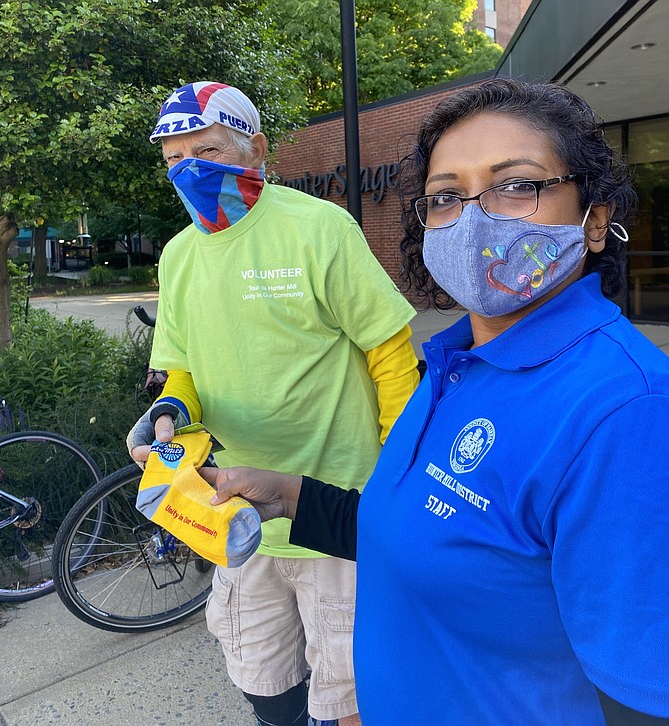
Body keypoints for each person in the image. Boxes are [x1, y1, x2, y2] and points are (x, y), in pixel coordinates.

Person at [200, 78, 669, 725]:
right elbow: (431, 533)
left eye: (516, 184)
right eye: (447, 197)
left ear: (594, 221)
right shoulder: (455, 363)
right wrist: (287, 495)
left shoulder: (622, 409)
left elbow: (641, 700)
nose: (475, 218)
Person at [127, 82, 420, 726]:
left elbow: (391, 358)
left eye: (205, 150)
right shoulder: (178, 256)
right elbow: (182, 375)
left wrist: (399, 488)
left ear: (255, 149)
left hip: (335, 509)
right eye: (175, 158)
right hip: (233, 518)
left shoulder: (320, 228)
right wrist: (169, 415)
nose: (189, 170)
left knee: (351, 698)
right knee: (263, 681)